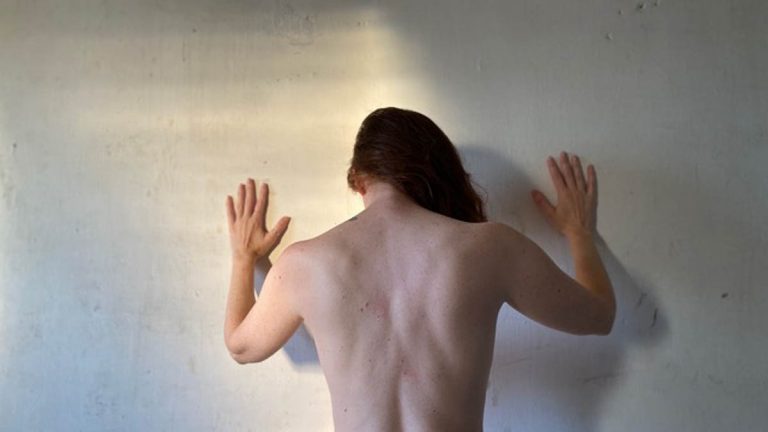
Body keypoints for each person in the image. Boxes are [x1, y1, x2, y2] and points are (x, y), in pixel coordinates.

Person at [223, 107, 616, 432]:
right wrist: (578, 233)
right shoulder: (492, 247)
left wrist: (245, 259)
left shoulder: (303, 264)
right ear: (433, 173)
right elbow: (599, 315)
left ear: (357, 179)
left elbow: (241, 347)